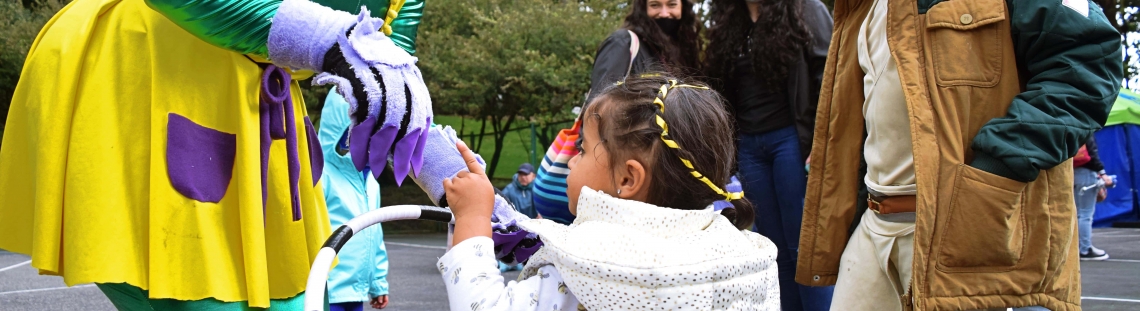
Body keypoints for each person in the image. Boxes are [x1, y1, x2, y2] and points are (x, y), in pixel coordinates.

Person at [0, 0, 430, 308]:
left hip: (253, 99)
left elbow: (393, 87)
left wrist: (454, 185)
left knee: (288, 299)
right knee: (197, 290)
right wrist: (325, 37)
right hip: (152, 64)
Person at [796, 0, 1122, 310]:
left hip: (960, 232)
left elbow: (1089, 60)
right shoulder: (859, 7)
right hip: (873, 225)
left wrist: (997, 167)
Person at [436, 76, 779, 310]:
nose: (570, 161)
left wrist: (473, 219)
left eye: (582, 149)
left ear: (628, 179)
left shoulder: (590, 272)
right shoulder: (736, 261)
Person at [703, 0, 833, 310]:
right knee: (774, 249)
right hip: (749, 147)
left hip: (791, 141)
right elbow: (720, 92)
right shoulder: (728, 24)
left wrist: (822, 139)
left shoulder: (804, 9)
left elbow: (829, 74)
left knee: (804, 248)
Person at [532, 0, 703, 225]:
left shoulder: (678, 53)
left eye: (671, 5)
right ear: (642, 8)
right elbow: (598, 110)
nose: (664, 13)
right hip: (616, 170)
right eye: (655, 5)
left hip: (651, 174)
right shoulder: (624, 43)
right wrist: (591, 159)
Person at [319, 90, 391, 310]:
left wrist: (378, 283)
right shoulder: (322, 176)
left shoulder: (370, 182)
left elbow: (374, 232)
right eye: (355, 134)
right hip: (326, 288)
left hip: (355, 289)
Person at [1075, 136, 1114, 261]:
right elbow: (1092, 153)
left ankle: (1077, 246)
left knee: (1076, 212)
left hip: (1072, 173)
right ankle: (1085, 248)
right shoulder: (1086, 131)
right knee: (1085, 213)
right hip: (1086, 173)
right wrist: (1102, 173)